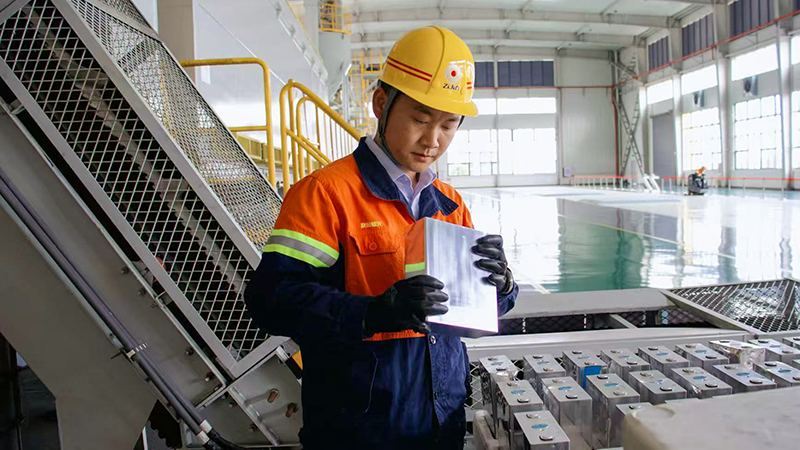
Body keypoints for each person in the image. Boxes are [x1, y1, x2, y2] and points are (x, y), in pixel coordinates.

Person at [244, 26, 518, 449]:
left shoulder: (450, 204)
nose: (432, 140)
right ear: (381, 104)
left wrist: (501, 287)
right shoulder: (326, 194)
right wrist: (372, 312)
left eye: (448, 125)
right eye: (420, 120)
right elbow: (271, 300)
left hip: (441, 424)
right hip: (357, 431)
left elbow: (471, 316)